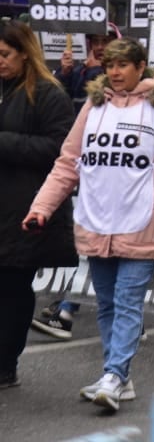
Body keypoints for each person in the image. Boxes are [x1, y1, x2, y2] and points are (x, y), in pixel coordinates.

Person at [24, 37, 154, 413]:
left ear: (140, 67)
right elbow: (68, 163)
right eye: (109, 67)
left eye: (122, 66)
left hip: (143, 225)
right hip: (98, 221)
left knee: (127, 301)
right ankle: (117, 374)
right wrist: (41, 207)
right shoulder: (93, 107)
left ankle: (115, 376)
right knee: (105, 303)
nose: (115, 73)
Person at [0, 21, 78, 385]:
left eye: (4, 55)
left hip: (27, 209)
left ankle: (5, 362)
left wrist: (4, 142)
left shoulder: (48, 94)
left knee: (13, 285)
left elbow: (61, 150)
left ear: (25, 53)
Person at [57, 22, 120, 109]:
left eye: (105, 41)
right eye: (95, 41)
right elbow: (61, 100)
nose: (99, 47)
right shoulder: (80, 71)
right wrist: (64, 74)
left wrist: (95, 70)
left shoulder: (121, 73)